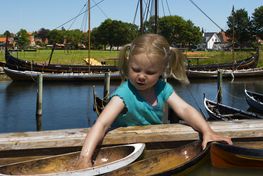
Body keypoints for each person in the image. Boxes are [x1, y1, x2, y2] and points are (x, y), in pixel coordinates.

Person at [75, 33, 232, 169]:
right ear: (128, 63)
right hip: (125, 151)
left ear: (162, 71)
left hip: (153, 149)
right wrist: (84, 158)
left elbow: (185, 110)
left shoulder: (163, 88)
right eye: (136, 69)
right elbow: (101, 124)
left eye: (150, 72)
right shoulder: (124, 93)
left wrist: (207, 131)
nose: (141, 76)